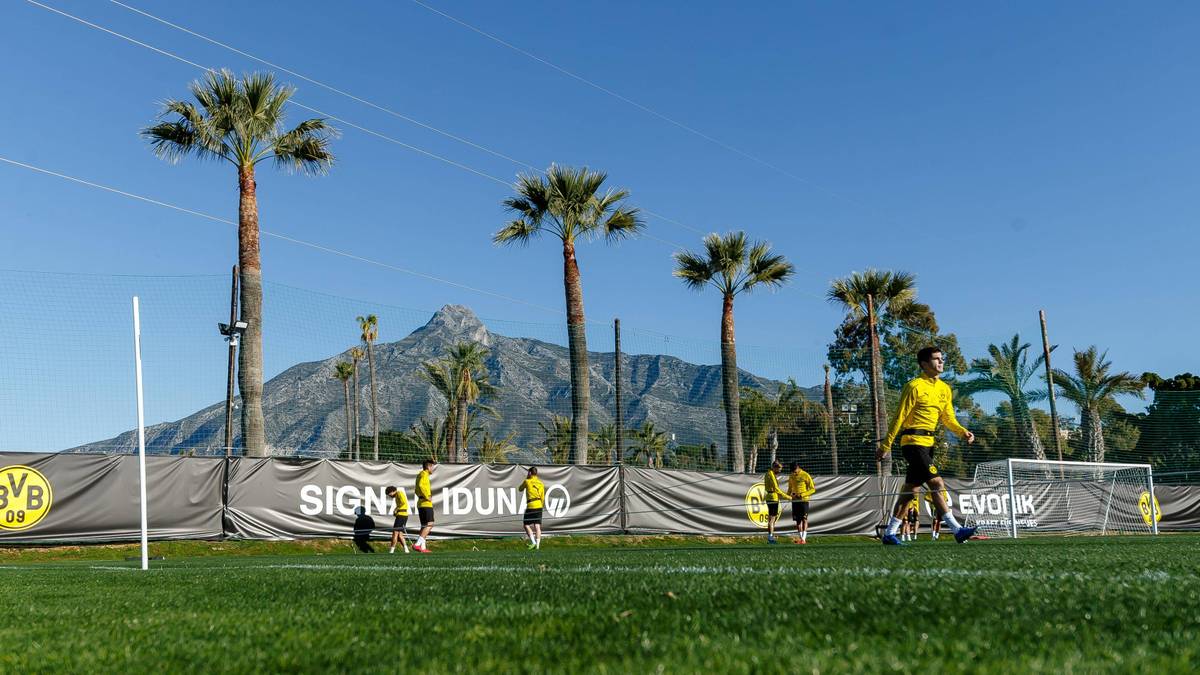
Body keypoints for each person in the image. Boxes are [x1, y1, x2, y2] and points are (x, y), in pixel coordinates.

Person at [879, 346, 979, 546]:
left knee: (910, 491)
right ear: (924, 364)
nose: (941, 362)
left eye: (942, 358)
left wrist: (962, 431)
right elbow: (899, 417)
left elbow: (948, 418)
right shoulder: (914, 386)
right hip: (913, 443)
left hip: (929, 444)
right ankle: (957, 530)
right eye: (936, 359)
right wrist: (886, 445)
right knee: (937, 483)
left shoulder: (944, 389)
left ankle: (890, 533)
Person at [787, 462, 816, 544]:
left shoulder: (805, 475)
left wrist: (802, 494)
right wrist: (789, 496)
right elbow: (789, 489)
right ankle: (801, 539)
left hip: (804, 500)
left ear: (798, 467)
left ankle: (803, 538)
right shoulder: (791, 476)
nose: (794, 472)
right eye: (792, 471)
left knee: (804, 519)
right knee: (797, 521)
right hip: (795, 501)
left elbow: (813, 489)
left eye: (795, 470)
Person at [519, 466, 545, 551]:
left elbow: (520, 489)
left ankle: (533, 542)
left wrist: (527, 479)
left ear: (530, 473)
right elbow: (542, 497)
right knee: (537, 526)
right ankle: (537, 546)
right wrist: (541, 506)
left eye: (528, 472)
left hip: (531, 505)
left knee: (526, 525)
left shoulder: (527, 481)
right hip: (539, 505)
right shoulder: (541, 483)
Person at [413, 460, 436, 553]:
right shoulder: (424, 474)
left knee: (424, 526)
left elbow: (416, 489)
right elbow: (421, 486)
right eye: (432, 467)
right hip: (426, 503)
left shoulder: (419, 475)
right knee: (430, 524)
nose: (433, 469)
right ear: (428, 467)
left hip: (420, 503)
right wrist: (427, 496)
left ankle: (422, 547)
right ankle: (417, 544)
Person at [763, 461, 789, 544]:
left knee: (771, 518)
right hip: (773, 498)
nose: (779, 471)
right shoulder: (771, 474)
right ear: (774, 467)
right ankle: (770, 538)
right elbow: (776, 488)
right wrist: (788, 497)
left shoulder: (767, 473)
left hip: (769, 497)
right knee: (772, 519)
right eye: (779, 469)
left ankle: (770, 537)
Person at [385, 485, 410, 554]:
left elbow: (403, 503)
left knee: (395, 533)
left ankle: (392, 550)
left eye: (389, 494)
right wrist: (395, 511)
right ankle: (406, 550)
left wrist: (396, 510)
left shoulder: (399, 493)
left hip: (401, 516)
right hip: (402, 515)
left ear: (392, 491)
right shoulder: (397, 495)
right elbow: (401, 504)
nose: (389, 496)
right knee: (400, 534)